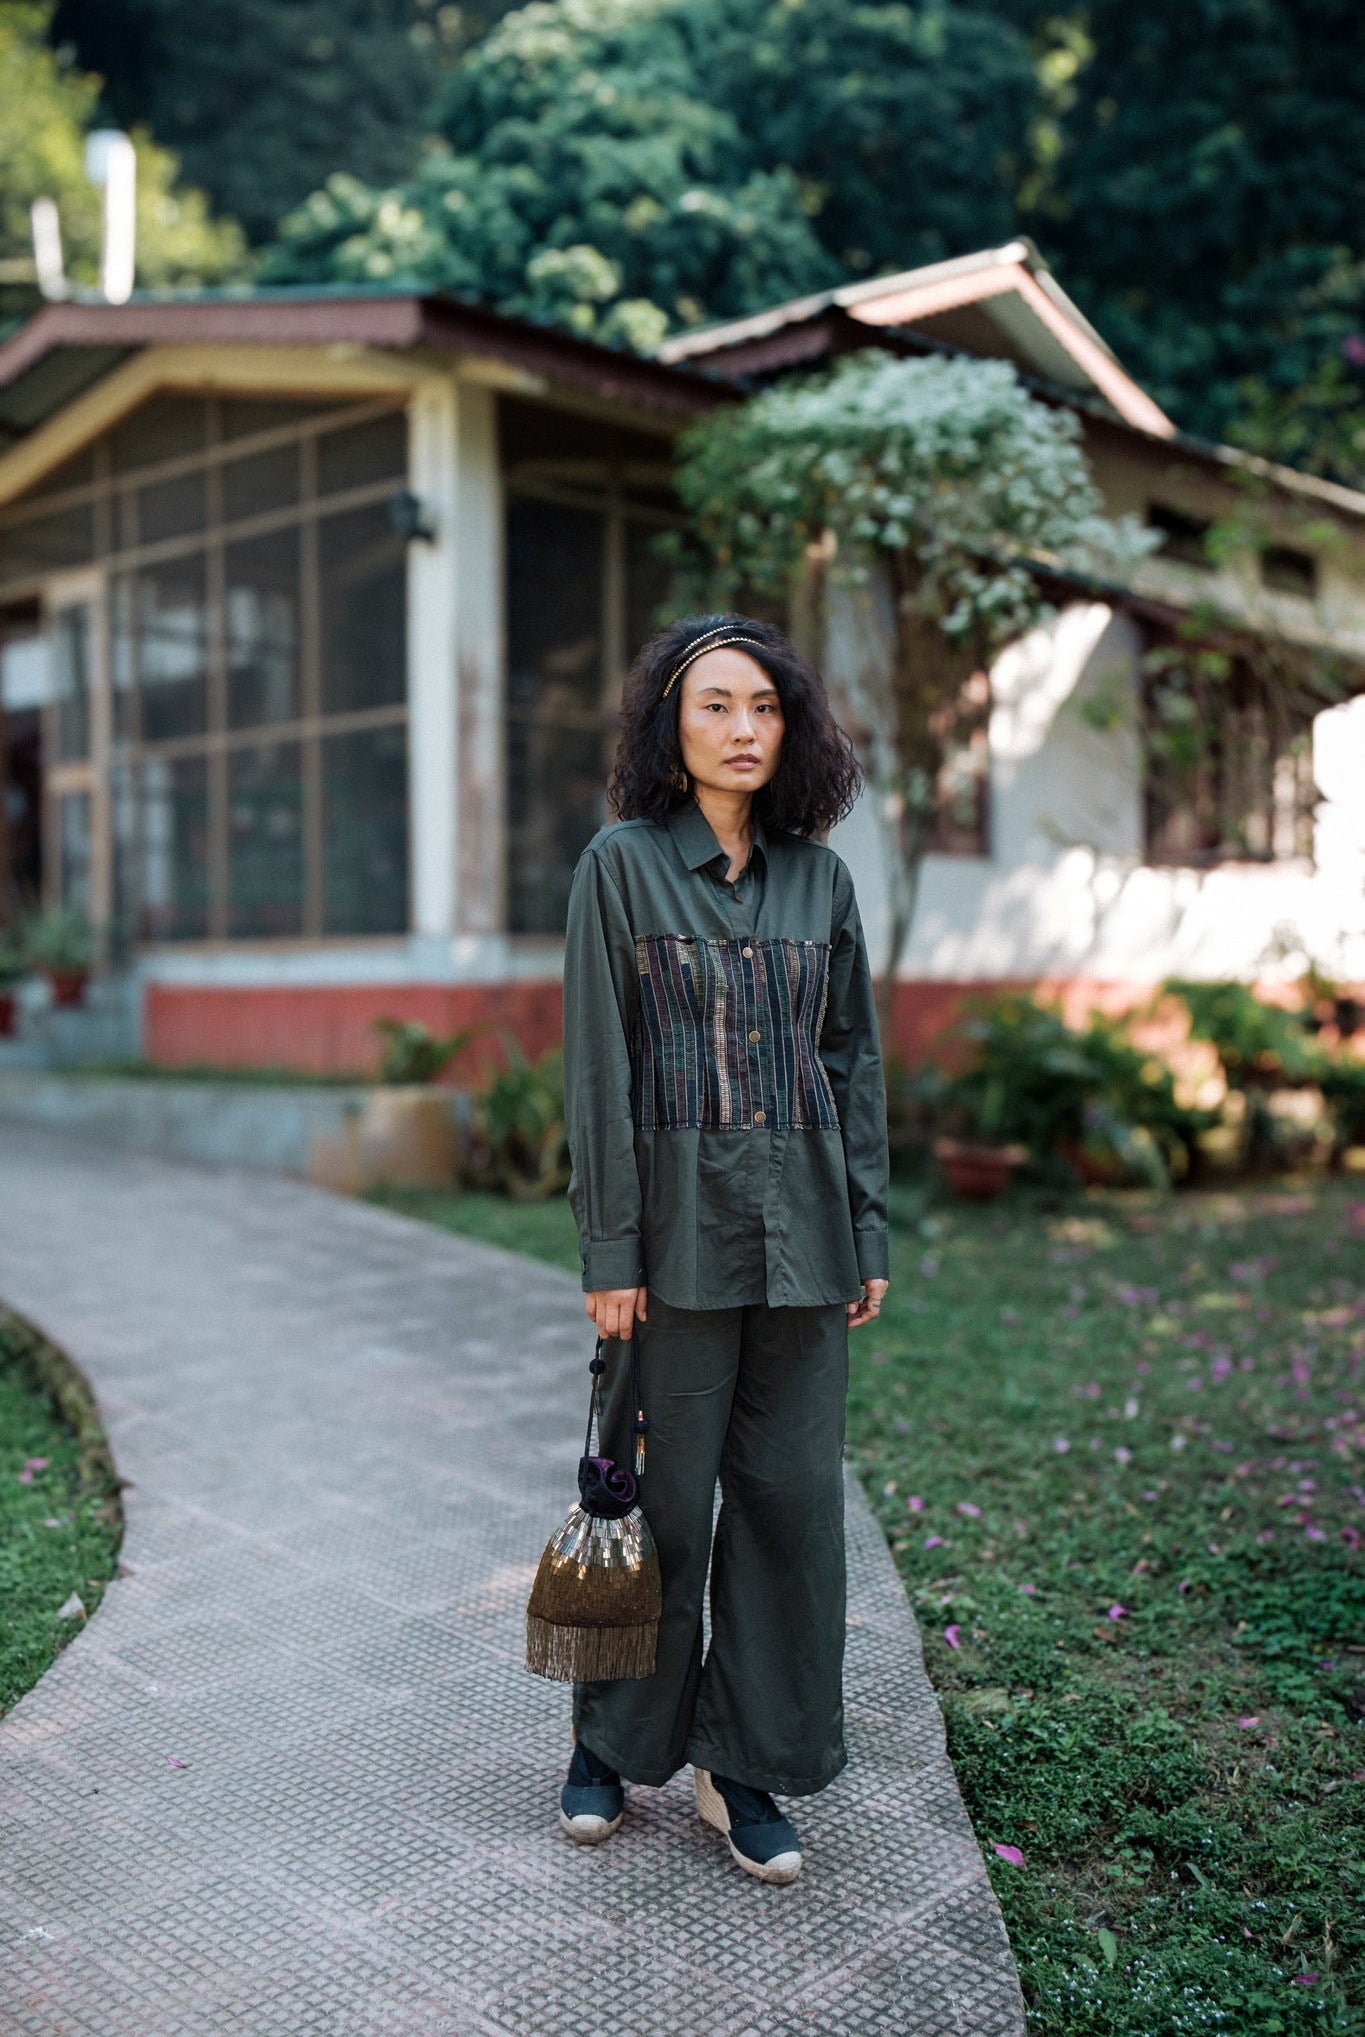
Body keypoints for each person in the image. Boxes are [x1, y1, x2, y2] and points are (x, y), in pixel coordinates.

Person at [557, 613, 891, 1886]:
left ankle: (739, 1758)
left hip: (804, 1242)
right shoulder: (621, 867)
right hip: (672, 1248)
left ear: (791, 727)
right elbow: (601, 1066)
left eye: (764, 708)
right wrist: (609, 1251)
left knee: (792, 1507)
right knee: (662, 1513)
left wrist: (864, 1227)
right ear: (670, 725)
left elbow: (852, 1062)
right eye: (715, 706)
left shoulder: (824, 880)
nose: (744, 730)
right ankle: (611, 1741)